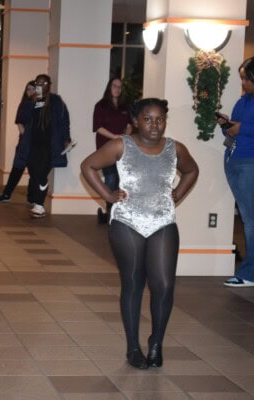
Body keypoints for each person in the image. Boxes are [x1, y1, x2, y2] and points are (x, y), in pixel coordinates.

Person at [81, 98, 199, 369]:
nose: (154, 125)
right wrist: (108, 196)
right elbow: (88, 166)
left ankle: (156, 342)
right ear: (136, 121)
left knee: (164, 285)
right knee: (133, 284)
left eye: (160, 119)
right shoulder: (121, 145)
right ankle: (133, 348)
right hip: (127, 222)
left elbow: (192, 170)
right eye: (148, 119)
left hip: (163, 222)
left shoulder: (175, 148)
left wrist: (177, 194)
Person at [217, 57, 254, 288]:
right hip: (233, 160)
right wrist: (227, 126)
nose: (242, 83)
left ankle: (249, 273)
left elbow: (245, 129)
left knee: (250, 221)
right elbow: (233, 130)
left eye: (245, 78)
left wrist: (243, 128)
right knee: (248, 219)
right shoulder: (243, 101)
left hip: (249, 163)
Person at [16, 74, 71, 218]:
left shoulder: (55, 101)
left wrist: (66, 138)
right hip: (33, 143)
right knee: (34, 172)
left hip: (49, 144)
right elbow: (22, 118)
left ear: (48, 85)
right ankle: (36, 199)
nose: (40, 86)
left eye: (43, 83)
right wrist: (31, 103)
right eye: (37, 83)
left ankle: (40, 205)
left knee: (41, 173)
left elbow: (64, 120)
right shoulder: (31, 100)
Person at [92, 77, 132, 223]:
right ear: (109, 87)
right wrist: (114, 137)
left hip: (122, 149)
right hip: (105, 149)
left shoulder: (125, 106)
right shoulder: (101, 105)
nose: (117, 89)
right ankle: (109, 211)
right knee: (110, 178)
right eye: (115, 86)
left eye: (120, 87)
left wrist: (125, 136)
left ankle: (117, 212)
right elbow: (98, 127)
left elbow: (129, 124)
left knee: (121, 180)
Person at [0, 80, 36, 203]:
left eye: (33, 89)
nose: (31, 91)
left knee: (34, 172)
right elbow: (20, 123)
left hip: (37, 144)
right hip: (24, 143)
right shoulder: (24, 104)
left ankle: (32, 197)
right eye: (28, 89)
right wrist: (27, 138)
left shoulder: (41, 105)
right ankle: (7, 194)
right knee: (17, 169)